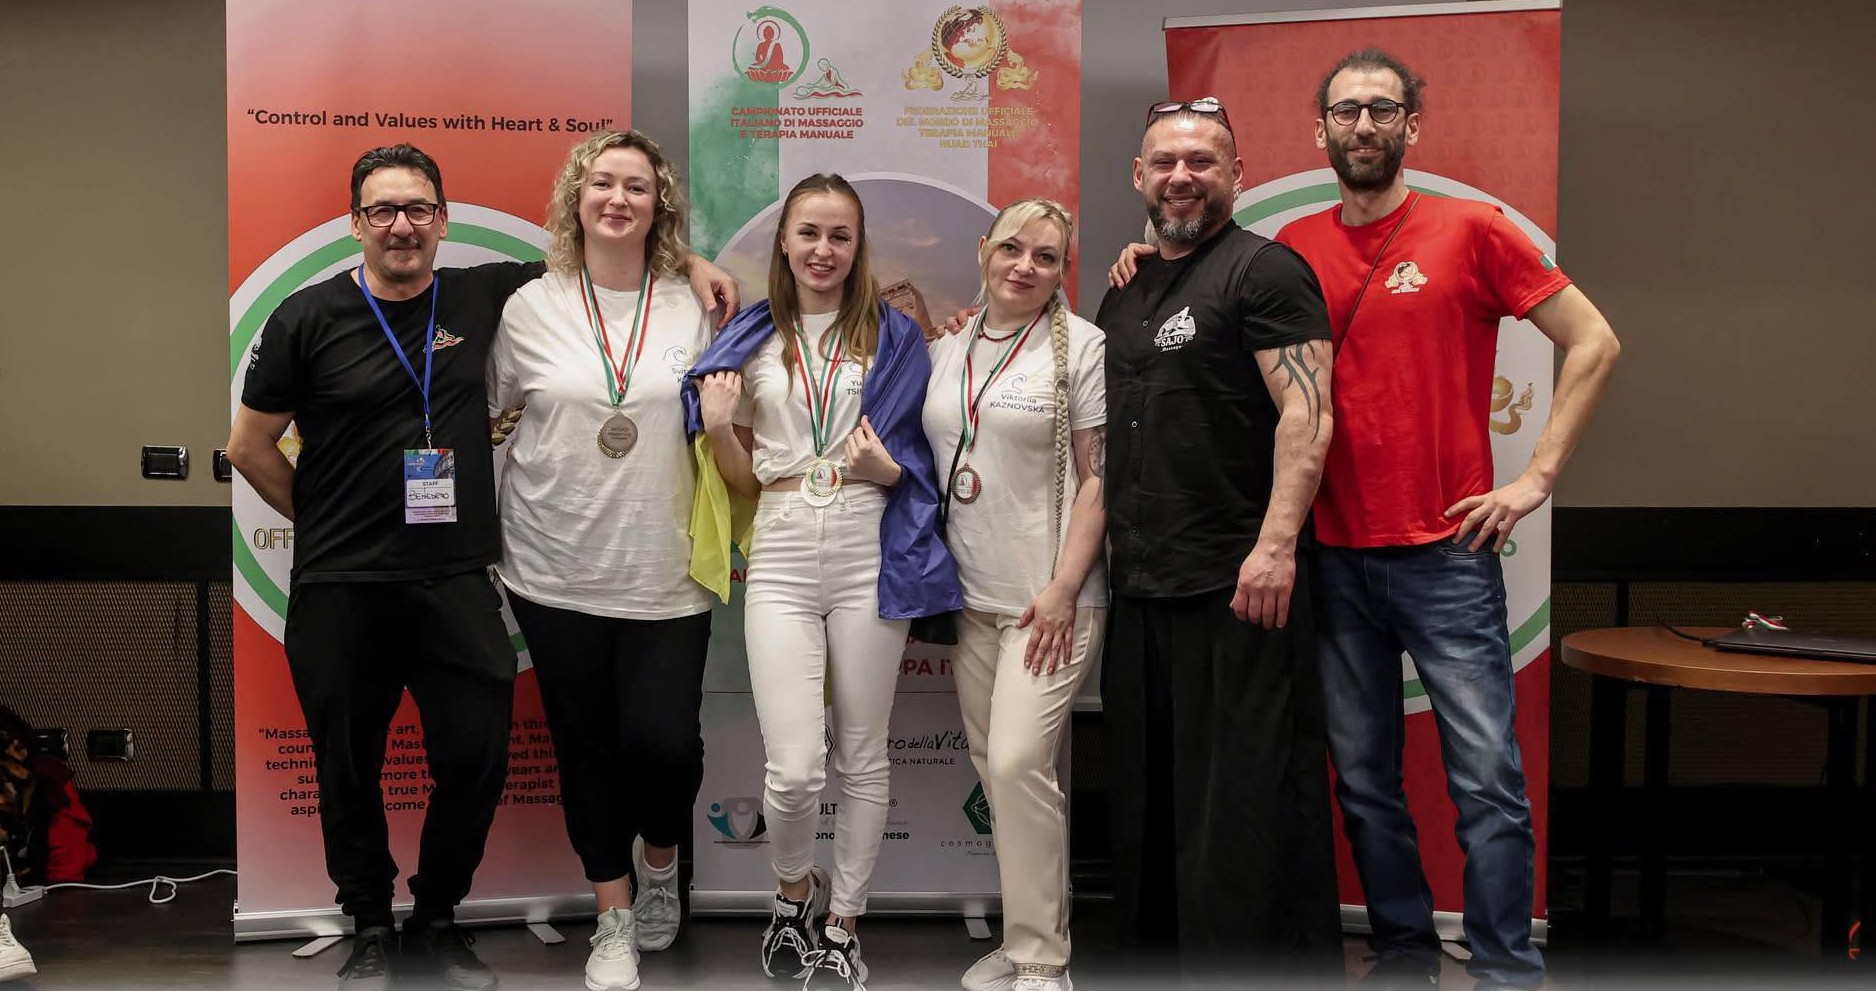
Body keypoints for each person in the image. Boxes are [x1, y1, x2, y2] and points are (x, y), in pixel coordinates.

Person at [228, 143, 737, 991]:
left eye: (418, 209)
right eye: (383, 210)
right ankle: (369, 922)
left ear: (443, 220)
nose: (401, 225)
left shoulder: (486, 294)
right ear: (355, 222)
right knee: (347, 766)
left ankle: (436, 916)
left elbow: (607, 241)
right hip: (341, 585)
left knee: (475, 759)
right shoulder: (305, 317)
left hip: (455, 577)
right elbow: (248, 445)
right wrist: (324, 527)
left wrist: (693, 259)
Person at [1281, 51, 1617, 991]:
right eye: (1345, 110)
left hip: (1447, 554)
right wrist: (1146, 254)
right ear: (1320, 130)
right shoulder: (1293, 246)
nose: (1363, 125)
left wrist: (1535, 478)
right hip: (1333, 556)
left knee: (1486, 783)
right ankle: (1402, 956)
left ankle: (1506, 967)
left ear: (1411, 127)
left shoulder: (1473, 229)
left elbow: (1594, 340)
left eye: (1382, 109)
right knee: (1363, 781)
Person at [684, 173, 961, 991]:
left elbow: (924, 451)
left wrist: (889, 469)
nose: (823, 249)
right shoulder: (751, 336)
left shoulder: (894, 336)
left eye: (840, 235)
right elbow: (741, 481)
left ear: (858, 244)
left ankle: (844, 925)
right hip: (779, 544)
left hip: (868, 541)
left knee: (864, 751)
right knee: (796, 767)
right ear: (785, 240)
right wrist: (721, 427)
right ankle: (791, 894)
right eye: (809, 232)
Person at [1094, 99, 1343, 979]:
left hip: (1238, 586)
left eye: (1202, 161)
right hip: (1141, 586)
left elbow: (1308, 415)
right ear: (1139, 175)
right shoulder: (1125, 287)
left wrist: (1275, 546)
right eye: (1165, 161)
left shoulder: (1266, 272)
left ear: (1237, 174)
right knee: (1150, 803)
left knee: (1241, 807)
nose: (1182, 176)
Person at [486, 129, 715, 991]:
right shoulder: (529, 307)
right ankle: (613, 915)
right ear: (575, 199)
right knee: (583, 748)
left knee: (664, 744)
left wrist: (696, 266)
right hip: (553, 564)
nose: (618, 199)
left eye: (637, 187)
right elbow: (493, 415)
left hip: (667, 568)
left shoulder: (695, 303)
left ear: (660, 207)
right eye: (603, 184)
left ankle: (660, 860)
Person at [922, 199, 1106, 991]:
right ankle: (1029, 931)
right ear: (983, 250)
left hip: (1050, 601)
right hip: (971, 597)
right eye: (1012, 249)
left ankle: (1042, 960)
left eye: (1045, 256)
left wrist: (1064, 587)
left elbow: (1100, 479)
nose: (1025, 266)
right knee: (1001, 774)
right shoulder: (949, 345)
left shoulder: (1083, 348)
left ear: (1062, 270)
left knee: (1019, 760)